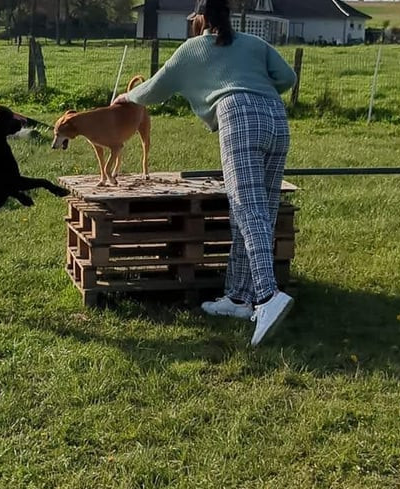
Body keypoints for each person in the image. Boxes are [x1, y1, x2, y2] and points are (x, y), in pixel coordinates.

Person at [111, 0, 297, 347]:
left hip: (238, 115)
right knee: (263, 209)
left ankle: (268, 297)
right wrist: (263, 93)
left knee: (247, 208)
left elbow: (156, 88)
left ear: (200, 19)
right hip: (276, 115)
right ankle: (239, 298)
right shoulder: (256, 44)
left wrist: (127, 97)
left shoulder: (193, 49)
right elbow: (288, 77)